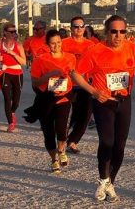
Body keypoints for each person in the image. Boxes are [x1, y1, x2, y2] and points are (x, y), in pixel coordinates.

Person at [71, 15, 135, 202]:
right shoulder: (95, 50)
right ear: (107, 32)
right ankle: (103, 179)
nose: (118, 35)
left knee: (120, 146)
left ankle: (109, 183)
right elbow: (76, 74)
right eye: (114, 31)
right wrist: (93, 91)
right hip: (103, 102)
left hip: (124, 101)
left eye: (122, 31)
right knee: (107, 142)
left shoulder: (132, 48)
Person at [31, 29, 76, 174]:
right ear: (47, 44)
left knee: (62, 130)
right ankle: (53, 159)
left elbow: (75, 76)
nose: (56, 46)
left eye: (58, 42)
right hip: (46, 100)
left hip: (63, 98)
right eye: (52, 43)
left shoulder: (70, 57)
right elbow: (35, 83)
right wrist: (49, 75)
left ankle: (61, 150)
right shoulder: (41, 59)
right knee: (48, 133)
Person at [62, 16, 95, 154]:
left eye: (82, 26)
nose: (79, 29)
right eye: (76, 26)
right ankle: (61, 141)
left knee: (86, 116)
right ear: (71, 28)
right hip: (68, 84)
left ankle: (73, 141)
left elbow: (96, 63)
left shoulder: (91, 45)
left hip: (85, 85)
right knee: (67, 116)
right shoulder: (63, 43)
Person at [0, 23, 26, 132]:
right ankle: (10, 123)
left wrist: (13, 54)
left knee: (16, 100)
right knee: (7, 98)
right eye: (11, 31)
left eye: (14, 31)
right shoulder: (0, 45)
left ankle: (12, 112)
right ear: (5, 32)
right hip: (5, 72)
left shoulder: (18, 45)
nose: (13, 33)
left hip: (17, 73)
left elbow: (24, 62)